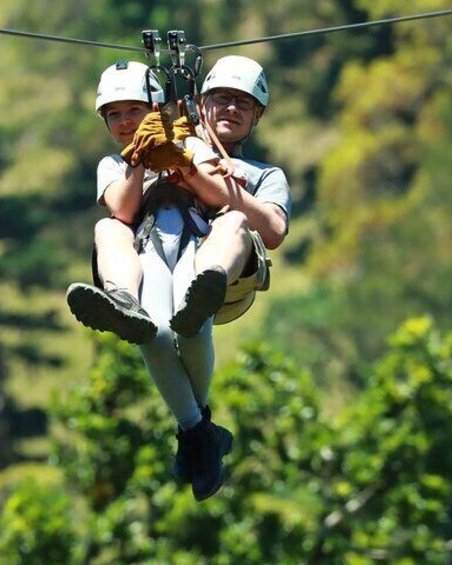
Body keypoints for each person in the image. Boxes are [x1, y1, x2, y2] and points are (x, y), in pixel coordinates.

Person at [67, 56, 291, 501]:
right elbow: (123, 211)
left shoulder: (260, 173)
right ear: (200, 103)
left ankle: (203, 288)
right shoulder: (118, 164)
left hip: (218, 260)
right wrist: (141, 161)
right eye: (221, 99)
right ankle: (197, 430)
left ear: (257, 116)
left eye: (242, 104)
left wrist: (191, 166)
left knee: (231, 225)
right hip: (150, 253)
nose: (230, 109)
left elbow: (275, 230)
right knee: (158, 330)